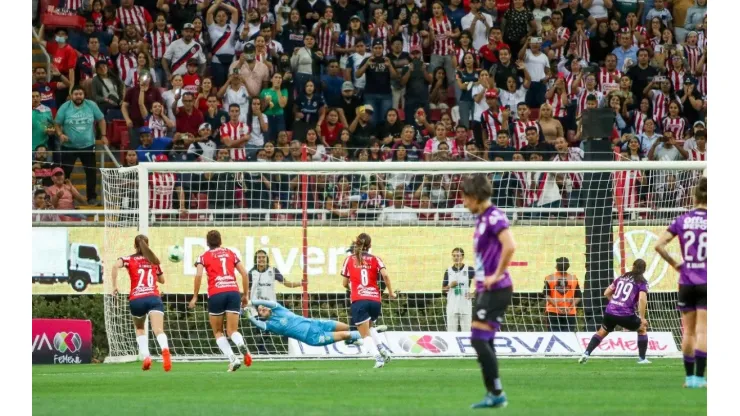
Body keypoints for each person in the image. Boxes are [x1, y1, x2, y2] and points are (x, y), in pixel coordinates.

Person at [461, 174, 516, 409]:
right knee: (485, 340)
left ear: (474, 196)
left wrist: (497, 274)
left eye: (465, 198)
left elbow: (511, 246)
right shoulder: (482, 218)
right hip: (487, 288)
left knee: (478, 339)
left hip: (498, 288)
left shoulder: (494, 216)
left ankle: (496, 392)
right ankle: (494, 392)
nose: (463, 203)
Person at [655, 176, 707, 388]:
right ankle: (700, 378)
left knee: (689, 331)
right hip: (708, 280)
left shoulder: (682, 220)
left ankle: (688, 379)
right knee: (704, 331)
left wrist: (676, 264)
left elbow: (659, 245)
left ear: (693, 197)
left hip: (686, 280)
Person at [189, 230, 252, 372]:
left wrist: (195, 296)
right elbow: (244, 273)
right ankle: (240, 343)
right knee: (232, 330)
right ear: (220, 241)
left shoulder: (203, 257)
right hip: (232, 292)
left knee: (218, 331)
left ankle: (233, 359)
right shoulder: (230, 253)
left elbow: (198, 275)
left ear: (207, 242)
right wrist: (245, 295)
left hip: (216, 293)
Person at [111, 235, 172, 372]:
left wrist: (114, 286)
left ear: (135, 246)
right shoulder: (154, 261)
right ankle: (165, 351)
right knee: (158, 330)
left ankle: (146, 357)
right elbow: (162, 280)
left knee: (139, 329)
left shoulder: (128, 259)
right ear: (147, 245)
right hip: (153, 298)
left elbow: (115, 266)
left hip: (137, 299)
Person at [578, 259, 650, 365]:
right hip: (625, 314)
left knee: (602, 332)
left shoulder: (621, 278)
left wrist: (616, 303)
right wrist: (642, 317)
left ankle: (586, 353)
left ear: (633, 266)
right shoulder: (642, 282)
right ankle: (642, 359)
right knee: (642, 328)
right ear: (644, 270)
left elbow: (606, 292)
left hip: (610, 312)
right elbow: (642, 299)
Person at [341, 233, 396, 368]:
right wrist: (390, 292)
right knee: (370, 326)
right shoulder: (376, 259)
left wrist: (353, 288)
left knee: (364, 334)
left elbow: (344, 283)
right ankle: (383, 351)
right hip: (375, 301)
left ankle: (378, 358)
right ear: (370, 245)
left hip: (359, 299)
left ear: (356, 244)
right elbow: (386, 276)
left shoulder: (349, 260)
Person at [54, 86, 107, 205]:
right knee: (65, 173)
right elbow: (57, 123)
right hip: (68, 147)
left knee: (91, 173)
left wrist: (103, 135)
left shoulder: (91, 105)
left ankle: (91, 198)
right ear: (71, 95)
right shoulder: (65, 107)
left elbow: (102, 120)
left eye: (80, 94)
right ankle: (63, 197)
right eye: (76, 94)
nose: (78, 96)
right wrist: (60, 134)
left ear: (84, 95)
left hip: (88, 146)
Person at [543, 257, 582, 332]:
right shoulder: (573, 278)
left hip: (553, 312)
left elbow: (546, 295)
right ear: (568, 266)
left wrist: (557, 307)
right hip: (569, 312)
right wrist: (570, 308)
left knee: (554, 337)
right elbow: (578, 297)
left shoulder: (549, 278)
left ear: (557, 267)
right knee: (567, 337)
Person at [442, 248, 475, 332]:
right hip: (452, 307)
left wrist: (474, 294)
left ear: (462, 257)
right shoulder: (448, 271)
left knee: (466, 333)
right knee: (451, 334)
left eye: (458, 255)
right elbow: (443, 290)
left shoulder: (469, 269)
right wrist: (450, 286)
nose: (456, 258)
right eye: (454, 256)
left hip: (465, 306)